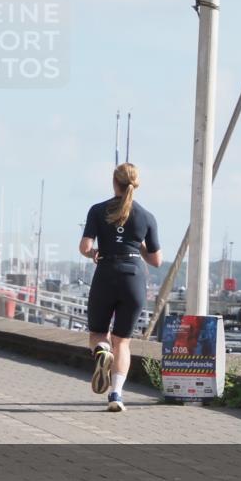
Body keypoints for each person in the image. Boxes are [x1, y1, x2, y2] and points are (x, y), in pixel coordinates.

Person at [79, 163, 161, 412]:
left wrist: (94, 253)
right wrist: (136, 244)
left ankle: (102, 351)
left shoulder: (97, 210)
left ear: (114, 182)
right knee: (123, 342)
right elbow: (156, 260)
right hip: (133, 278)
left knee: (98, 334)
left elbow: (84, 248)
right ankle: (116, 395)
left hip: (106, 273)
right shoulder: (147, 216)